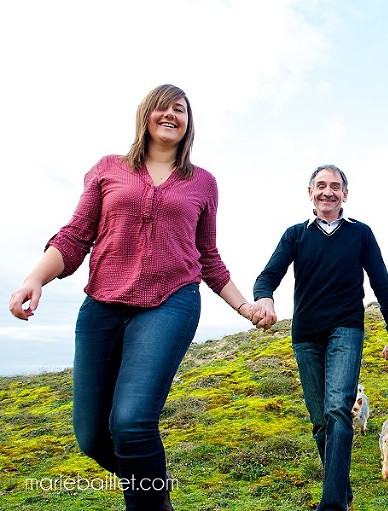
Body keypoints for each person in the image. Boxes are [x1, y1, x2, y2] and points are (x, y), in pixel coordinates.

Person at [8, 84, 255, 511]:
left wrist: (244, 305)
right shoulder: (108, 169)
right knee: (92, 436)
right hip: (102, 304)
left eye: (180, 109)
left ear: (188, 122)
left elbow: (208, 256)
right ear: (146, 115)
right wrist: (35, 279)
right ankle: (156, 494)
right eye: (163, 107)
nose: (171, 115)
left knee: (132, 423)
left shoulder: (202, 183)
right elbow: (75, 236)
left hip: (171, 302)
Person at [250, 164, 388, 511]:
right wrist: (264, 297)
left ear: (344, 195)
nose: (327, 191)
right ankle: (342, 491)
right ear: (310, 193)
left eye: (335, 186)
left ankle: (333, 504)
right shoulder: (295, 234)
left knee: (338, 409)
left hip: (346, 330)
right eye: (320, 185)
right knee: (320, 420)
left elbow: (382, 285)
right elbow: (268, 275)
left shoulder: (361, 234)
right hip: (306, 334)